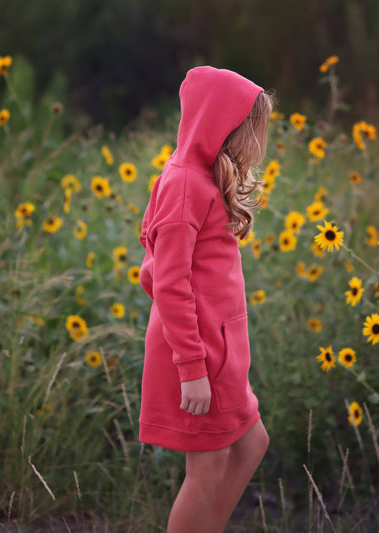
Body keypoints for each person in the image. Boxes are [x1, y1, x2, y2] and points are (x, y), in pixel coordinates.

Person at [138, 65, 273, 532]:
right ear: (222, 125)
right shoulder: (184, 184)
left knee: (252, 444)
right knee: (207, 469)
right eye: (252, 130)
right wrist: (191, 369)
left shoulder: (202, 177)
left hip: (223, 347)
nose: (257, 143)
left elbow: (155, 264)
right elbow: (169, 282)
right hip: (199, 356)